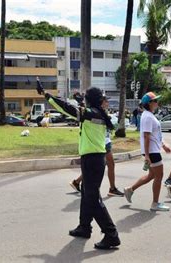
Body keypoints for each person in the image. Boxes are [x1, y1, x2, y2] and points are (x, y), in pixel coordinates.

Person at [36, 78, 120, 250]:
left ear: (89, 100)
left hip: (93, 160)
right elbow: (81, 109)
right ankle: (84, 227)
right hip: (94, 159)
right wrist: (82, 100)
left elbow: (66, 108)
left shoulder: (90, 113)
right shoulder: (98, 113)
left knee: (92, 198)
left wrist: (46, 95)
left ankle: (111, 234)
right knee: (87, 194)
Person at [123, 92, 171, 211]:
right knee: (159, 176)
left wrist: (163, 145)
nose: (157, 103)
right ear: (149, 103)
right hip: (152, 152)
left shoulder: (149, 115)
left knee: (152, 175)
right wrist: (147, 155)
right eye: (155, 101)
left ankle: (130, 190)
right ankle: (155, 203)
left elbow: (155, 135)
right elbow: (146, 136)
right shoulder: (148, 117)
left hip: (153, 150)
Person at [69, 96, 124, 197]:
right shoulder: (95, 112)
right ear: (101, 102)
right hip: (101, 143)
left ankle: (77, 182)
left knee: (97, 167)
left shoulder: (103, 112)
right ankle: (112, 189)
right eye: (106, 101)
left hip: (105, 142)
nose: (108, 103)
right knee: (107, 165)